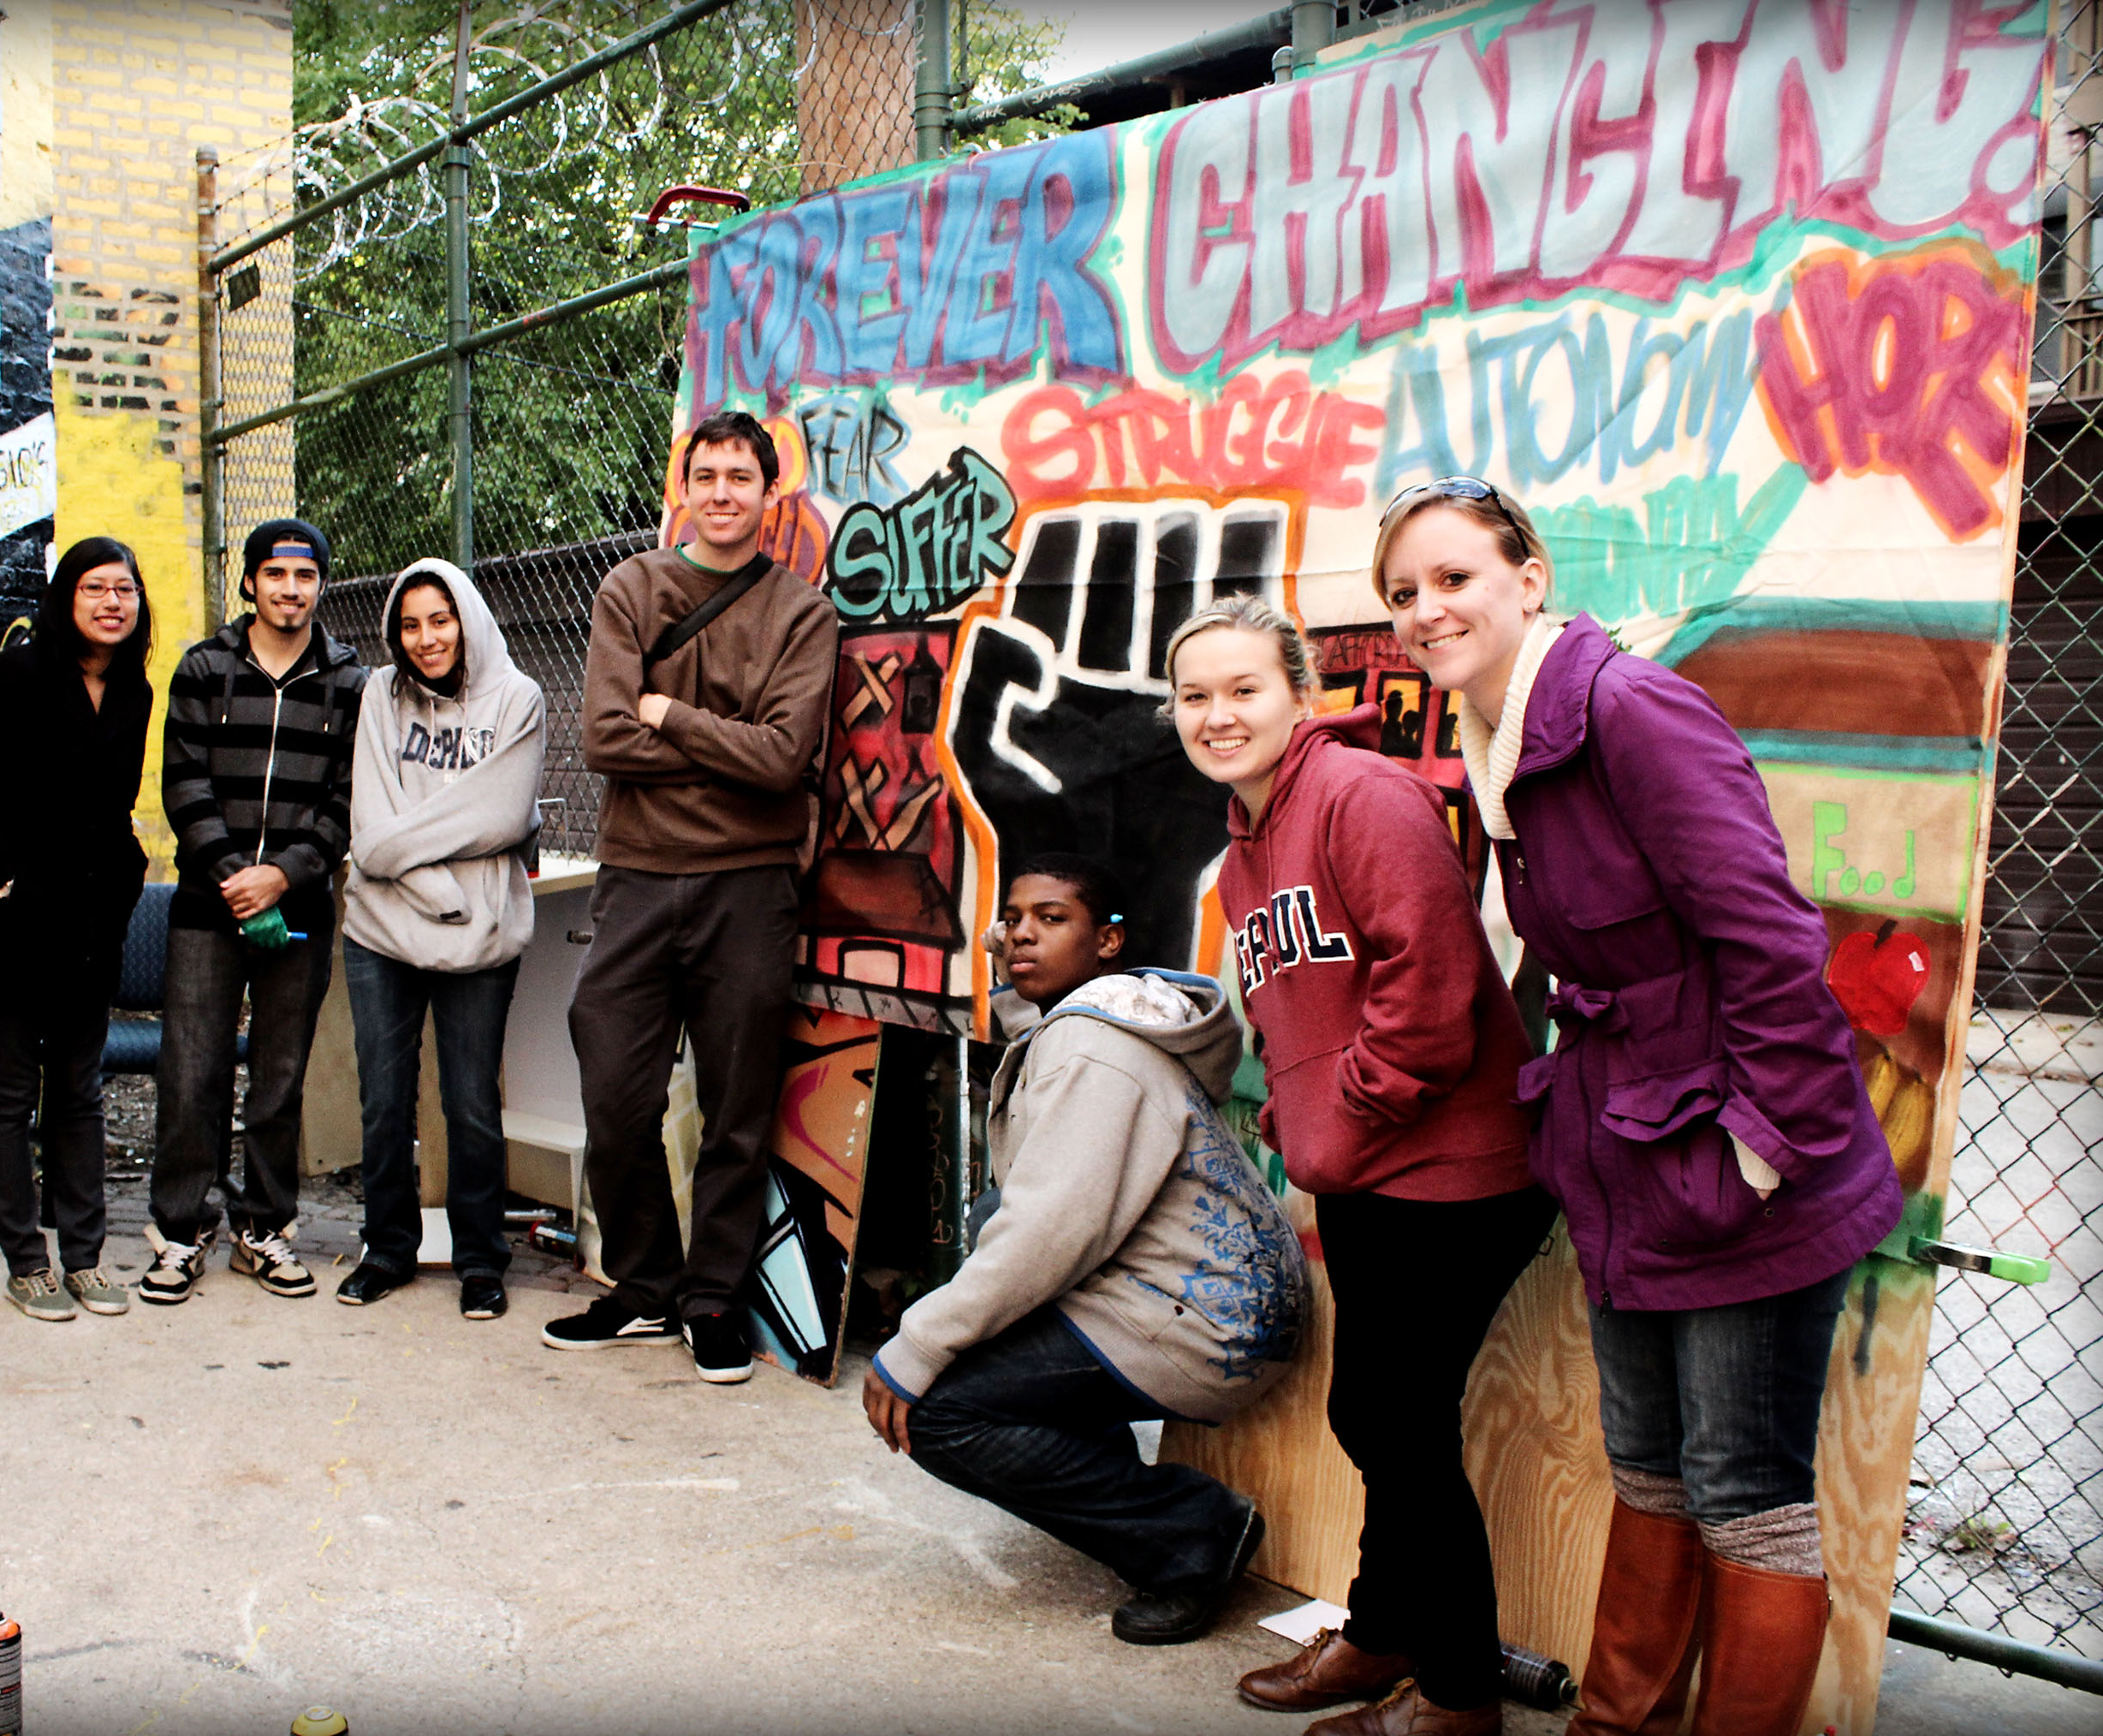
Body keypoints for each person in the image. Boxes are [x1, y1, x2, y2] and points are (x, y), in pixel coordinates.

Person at [1374, 477, 1903, 1736]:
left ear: (1531, 576)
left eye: (1454, 578)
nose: (1426, 610)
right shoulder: (1501, 739)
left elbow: (1773, 944)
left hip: (1736, 1159)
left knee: (1742, 1490)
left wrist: (1756, 1159)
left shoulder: (1628, 709)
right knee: (1652, 1470)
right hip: (1630, 1159)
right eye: (1403, 593)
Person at [1163, 597, 1548, 1736]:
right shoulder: (1244, 850)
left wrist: (1342, 1117)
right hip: (1372, 1176)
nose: (1219, 715)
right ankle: (1383, 1636)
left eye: (1244, 690)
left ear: (1298, 695)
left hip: (1460, 1171)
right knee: (1384, 1415)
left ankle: (1460, 1697)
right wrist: (1297, 1113)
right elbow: (1297, 1016)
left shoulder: (1360, 796)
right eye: (1196, 696)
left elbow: (1430, 995)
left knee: (1397, 1425)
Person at [863, 854, 1304, 1645]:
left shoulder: (1095, 1049)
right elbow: (1037, 1207)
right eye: (1015, 920)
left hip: (1207, 1327)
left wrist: (917, 1342)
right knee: (994, 1212)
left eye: (1052, 919)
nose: (1022, 935)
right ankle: (1105, 1470)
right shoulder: (1096, 1024)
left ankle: (1191, 1536)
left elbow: (1052, 1231)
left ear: (1109, 941)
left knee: (935, 1409)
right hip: (1207, 1297)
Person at [544, 410, 839, 1383]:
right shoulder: (633, 587)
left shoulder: (800, 613)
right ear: (684, 488)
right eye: (705, 475)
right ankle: (641, 1286)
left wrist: (667, 711)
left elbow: (786, 757)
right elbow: (602, 739)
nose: (721, 493)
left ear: (768, 493)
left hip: (749, 891)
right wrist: (724, 742)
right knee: (616, 1093)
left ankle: (711, 1300)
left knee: (736, 1108)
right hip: (637, 878)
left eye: (740, 478)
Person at [0, 537, 154, 1323]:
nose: (112, 603)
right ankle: (26, 1261)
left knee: (81, 1093)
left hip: (90, 922)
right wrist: (5, 873)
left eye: (125, 589)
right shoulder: (19, 673)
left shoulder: (134, 691)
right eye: (96, 588)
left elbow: (111, 809)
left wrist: (125, 877)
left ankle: (84, 1258)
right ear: (65, 597)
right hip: (12, 922)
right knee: (13, 1090)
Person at [140, 517, 369, 1305]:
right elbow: (183, 783)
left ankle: (264, 1230)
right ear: (250, 583)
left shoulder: (350, 681)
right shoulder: (204, 667)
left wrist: (284, 876)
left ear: (322, 586)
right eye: (276, 575)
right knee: (191, 1071)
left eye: (306, 577)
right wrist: (238, 876)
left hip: (299, 909)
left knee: (279, 1077)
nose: (291, 590)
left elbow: (346, 802)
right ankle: (180, 1231)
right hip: (209, 905)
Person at [336, 558, 545, 1320]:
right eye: (411, 624)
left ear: (468, 618)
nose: (426, 639)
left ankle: (481, 1262)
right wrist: (441, 886)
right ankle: (386, 1249)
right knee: (383, 1102)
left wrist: (405, 857)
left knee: (471, 1106)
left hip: (480, 937)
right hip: (383, 930)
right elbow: (370, 830)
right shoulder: (377, 698)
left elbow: (499, 812)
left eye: (440, 619)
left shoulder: (518, 699)